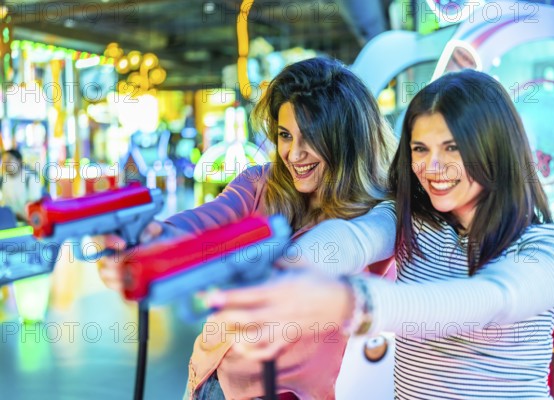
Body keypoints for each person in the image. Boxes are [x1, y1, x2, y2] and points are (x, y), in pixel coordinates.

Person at [206, 69, 554, 399]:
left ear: (494, 148)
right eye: (420, 149)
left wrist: (349, 302)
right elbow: (353, 239)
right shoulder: (414, 222)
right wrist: (287, 270)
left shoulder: (551, 247)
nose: (432, 166)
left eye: (452, 148)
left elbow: (489, 300)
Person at [98, 57, 397, 399]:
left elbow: (352, 254)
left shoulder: (381, 215)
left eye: (311, 137)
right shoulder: (260, 184)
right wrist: (152, 240)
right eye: (285, 135)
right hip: (213, 382)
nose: (294, 154)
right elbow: (204, 220)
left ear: (346, 139)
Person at [0, 149, 43, 223]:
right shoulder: (2, 179)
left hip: (28, 224)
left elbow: (34, 205)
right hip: (8, 224)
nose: (6, 163)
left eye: (9, 160)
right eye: (3, 161)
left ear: (19, 161)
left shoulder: (30, 178)